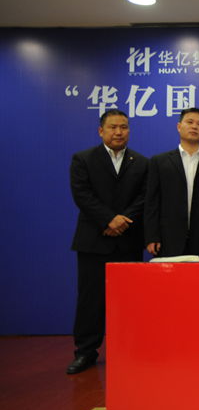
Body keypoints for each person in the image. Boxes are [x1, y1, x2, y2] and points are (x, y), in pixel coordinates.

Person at [68, 109, 148, 374]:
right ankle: (85, 352)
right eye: (113, 127)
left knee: (128, 301)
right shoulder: (83, 159)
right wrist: (108, 220)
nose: (118, 132)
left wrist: (122, 220)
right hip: (94, 240)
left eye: (123, 127)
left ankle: (127, 351)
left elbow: (145, 197)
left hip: (128, 240)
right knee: (90, 300)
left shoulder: (141, 162)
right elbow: (82, 195)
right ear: (101, 131)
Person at [144, 108, 199, 258]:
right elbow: (151, 202)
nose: (194, 126)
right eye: (190, 122)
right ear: (179, 126)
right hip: (168, 238)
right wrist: (152, 236)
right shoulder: (159, 162)